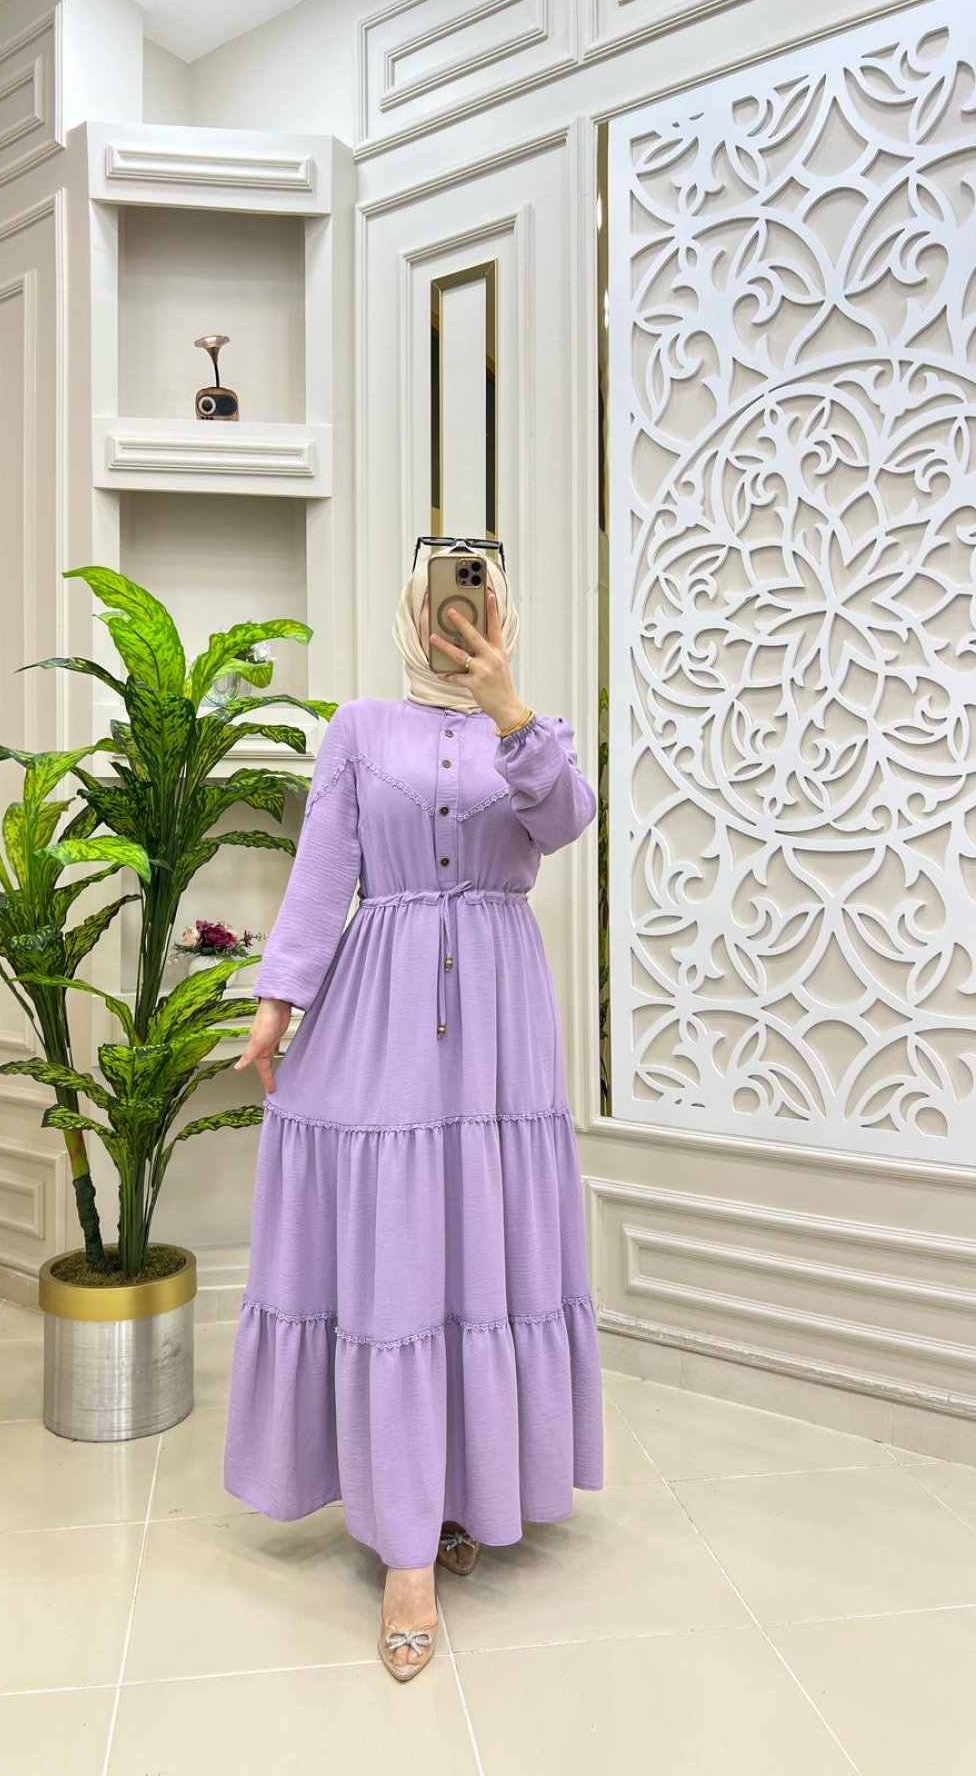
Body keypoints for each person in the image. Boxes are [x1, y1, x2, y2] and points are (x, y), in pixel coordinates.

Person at [223, 547, 605, 1681]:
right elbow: (321, 873)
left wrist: (508, 708)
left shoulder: (534, 731)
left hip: (496, 1016)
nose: (459, 617)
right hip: (380, 1001)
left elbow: (566, 822)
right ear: (416, 610)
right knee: (396, 1257)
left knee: (478, 1247)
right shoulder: (358, 729)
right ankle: (404, 1551)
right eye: (445, 599)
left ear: (500, 613)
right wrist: (275, 1006)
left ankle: (465, 1490)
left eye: (478, 600)